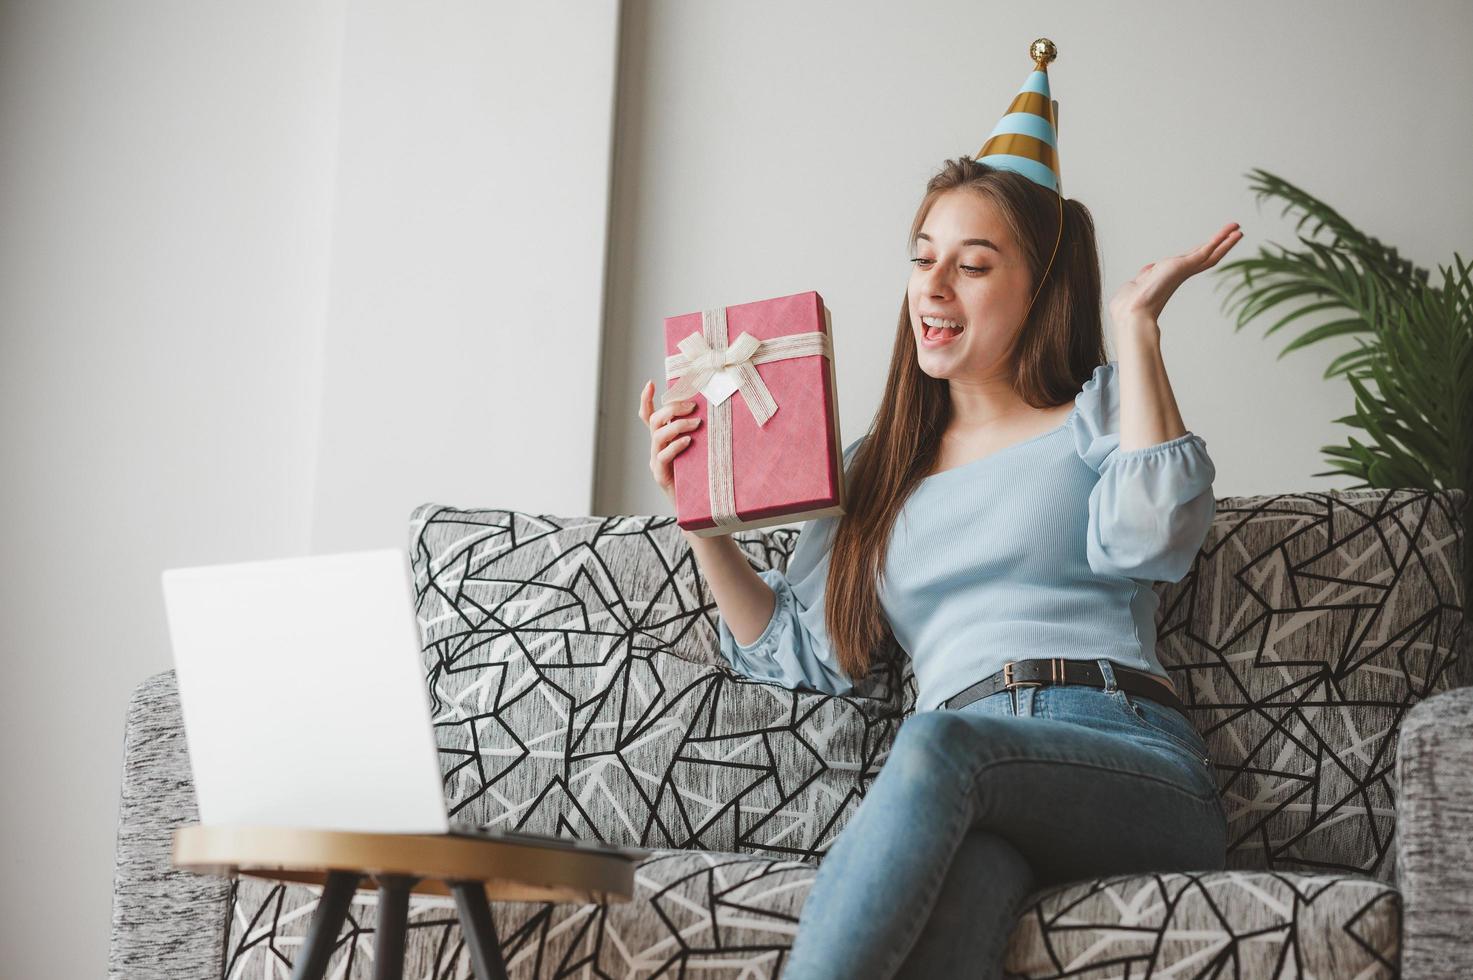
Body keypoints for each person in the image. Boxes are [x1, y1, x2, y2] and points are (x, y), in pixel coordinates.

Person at [637, 40, 1243, 980]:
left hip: (1122, 757)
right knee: (958, 914)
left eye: (972, 264)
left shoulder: (1094, 416)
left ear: (1038, 287)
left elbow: (1154, 538)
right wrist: (704, 525)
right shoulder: (875, 470)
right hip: (980, 790)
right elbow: (808, 654)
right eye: (923, 259)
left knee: (936, 744)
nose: (933, 286)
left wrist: (1135, 330)